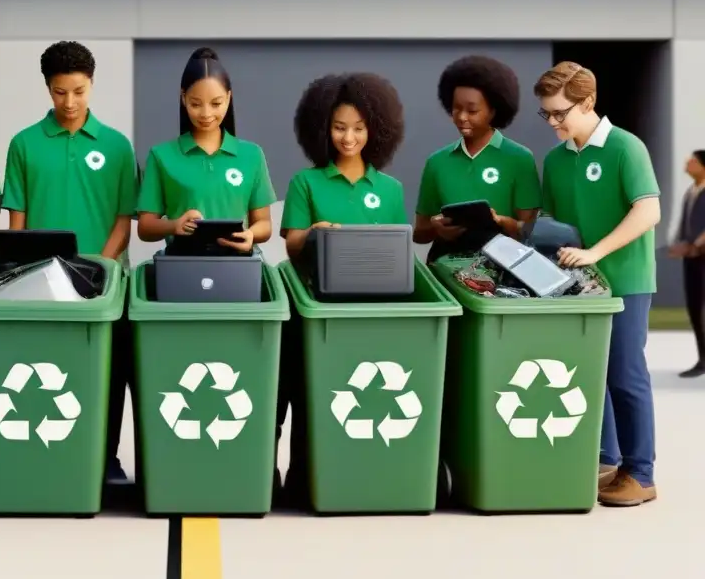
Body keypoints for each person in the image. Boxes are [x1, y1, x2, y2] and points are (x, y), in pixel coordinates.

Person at [2, 41, 139, 485]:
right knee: (47, 369)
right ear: (48, 88)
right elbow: (16, 222)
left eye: (79, 91)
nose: (70, 102)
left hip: (105, 280)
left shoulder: (117, 147)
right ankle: (47, 453)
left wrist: (100, 266)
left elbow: (125, 219)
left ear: (91, 85)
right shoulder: (24, 144)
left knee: (109, 372)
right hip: (39, 282)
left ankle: (108, 459)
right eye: (60, 92)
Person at [277, 72, 407, 505]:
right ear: (321, 128)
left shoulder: (390, 190)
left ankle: (367, 477)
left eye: (358, 128)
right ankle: (301, 480)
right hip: (317, 307)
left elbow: (397, 253)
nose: (348, 138)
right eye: (338, 127)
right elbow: (292, 245)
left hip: (370, 312)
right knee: (308, 395)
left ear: (376, 130)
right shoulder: (306, 182)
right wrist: (314, 231)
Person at [536, 61, 661, 507]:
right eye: (545, 114)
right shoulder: (555, 159)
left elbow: (648, 211)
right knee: (590, 374)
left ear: (587, 102)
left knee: (625, 376)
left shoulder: (626, 148)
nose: (552, 123)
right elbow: (551, 219)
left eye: (559, 113)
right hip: (577, 285)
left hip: (625, 280)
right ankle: (608, 461)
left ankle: (641, 473)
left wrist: (595, 252)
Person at [136, 47, 277, 253]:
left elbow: (264, 224)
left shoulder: (252, 155)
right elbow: (145, 227)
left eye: (216, 103)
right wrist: (174, 225)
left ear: (228, 98)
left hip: (239, 268)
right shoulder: (161, 156)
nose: (206, 113)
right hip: (182, 268)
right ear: (183, 98)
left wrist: (250, 234)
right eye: (196, 104)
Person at [414, 56, 542, 261]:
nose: (462, 117)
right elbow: (419, 234)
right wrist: (437, 228)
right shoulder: (437, 162)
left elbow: (529, 232)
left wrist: (499, 221)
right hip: (445, 269)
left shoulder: (520, 159)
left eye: (472, 110)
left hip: (501, 272)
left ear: (493, 110)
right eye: (456, 108)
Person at [669, 150, 705, 379]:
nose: (686, 164)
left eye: (691, 161)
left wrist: (697, 244)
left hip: (701, 256)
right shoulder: (691, 192)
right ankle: (702, 357)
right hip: (691, 259)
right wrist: (680, 243)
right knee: (694, 307)